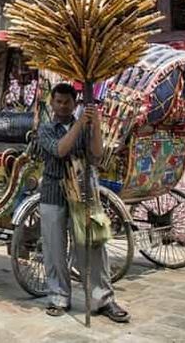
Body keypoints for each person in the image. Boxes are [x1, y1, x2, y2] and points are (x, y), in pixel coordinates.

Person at [37, 82, 130, 323]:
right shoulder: (46, 128)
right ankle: (58, 296)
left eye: (67, 102)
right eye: (58, 101)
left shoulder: (87, 127)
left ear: (75, 103)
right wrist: (79, 123)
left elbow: (97, 156)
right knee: (54, 249)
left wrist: (95, 123)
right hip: (53, 193)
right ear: (52, 103)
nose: (63, 106)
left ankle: (104, 299)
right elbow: (60, 150)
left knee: (93, 246)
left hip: (84, 193)